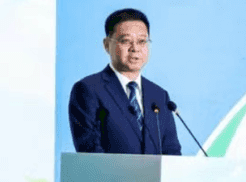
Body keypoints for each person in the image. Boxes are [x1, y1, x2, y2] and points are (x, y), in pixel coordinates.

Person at [69, 8, 182, 155]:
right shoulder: (88, 90)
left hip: (154, 172)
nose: (135, 49)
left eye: (142, 41)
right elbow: (90, 152)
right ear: (106, 45)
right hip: (109, 171)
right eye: (126, 41)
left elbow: (172, 153)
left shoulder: (159, 95)